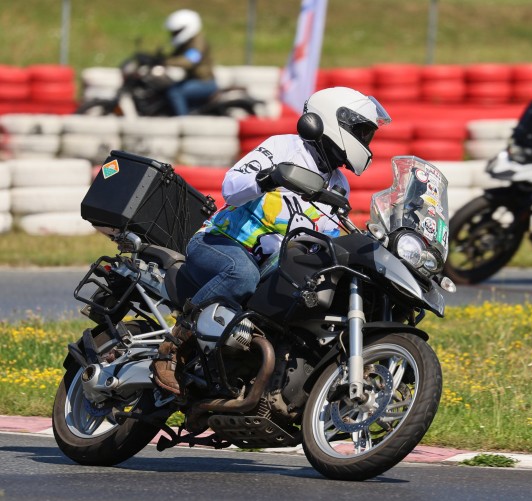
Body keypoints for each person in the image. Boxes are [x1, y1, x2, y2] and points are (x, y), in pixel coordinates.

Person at [152, 87, 392, 396]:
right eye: (360, 131)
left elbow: (324, 238)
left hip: (270, 265)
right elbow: (231, 186)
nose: (365, 140)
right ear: (335, 121)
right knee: (241, 275)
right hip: (222, 242)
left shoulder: (338, 185)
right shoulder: (283, 148)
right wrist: (270, 178)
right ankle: (173, 346)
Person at [162, 9, 218, 115]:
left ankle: (182, 122)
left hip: (204, 82)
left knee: (175, 92)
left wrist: (166, 62)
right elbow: (173, 56)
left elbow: (189, 61)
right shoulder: (186, 42)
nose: (174, 35)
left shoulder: (197, 43)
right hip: (193, 80)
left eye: (176, 32)